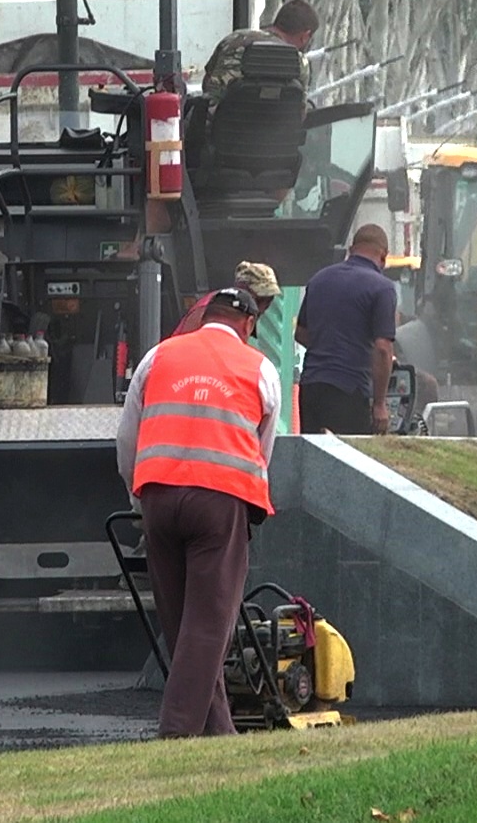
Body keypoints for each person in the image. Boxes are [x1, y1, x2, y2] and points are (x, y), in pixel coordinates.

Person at [115, 288, 279, 738]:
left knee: (180, 626)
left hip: (158, 498)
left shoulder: (157, 358)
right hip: (220, 502)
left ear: (205, 315)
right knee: (207, 628)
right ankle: (176, 733)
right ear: (248, 324)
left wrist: (138, 497)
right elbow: (262, 451)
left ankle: (219, 733)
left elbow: (127, 437)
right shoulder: (260, 368)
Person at [295, 225, 397, 435]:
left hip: (311, 387)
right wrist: (379, 404)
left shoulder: (319, 279)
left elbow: (301, 333)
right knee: (350, 452)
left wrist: (331, 345)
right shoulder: (382, 288)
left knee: (313, 451)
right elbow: (382, 349)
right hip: (349, 389)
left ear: (351, 249)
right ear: (383, 256)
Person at [201, 0, 320, 103]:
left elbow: (207, 82)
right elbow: (299, 110)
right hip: (272, 122)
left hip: (216, 121)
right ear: (305, 36)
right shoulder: (297, 61)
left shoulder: (234, 38)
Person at [173, 261, 281, 336]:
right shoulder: (210, 308)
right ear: (241, 288)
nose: (263, 308)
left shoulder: (240, 314)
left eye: (269, 300)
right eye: (260, 299)